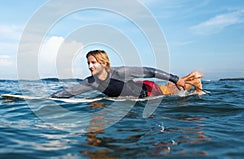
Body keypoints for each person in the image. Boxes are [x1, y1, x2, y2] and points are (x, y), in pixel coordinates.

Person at [51, 50, 204, 98]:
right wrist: (49, 98)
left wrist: (176, 78)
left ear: (104, 63)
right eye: (88, 63)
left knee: (173, 91)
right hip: (132, 93)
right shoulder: (91, 82)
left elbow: (150, 72)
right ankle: (191, 78)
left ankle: (193, 79)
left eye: (94, 62)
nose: (90, 66)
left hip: (148, 91)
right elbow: (69, 92)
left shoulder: (121, 72)